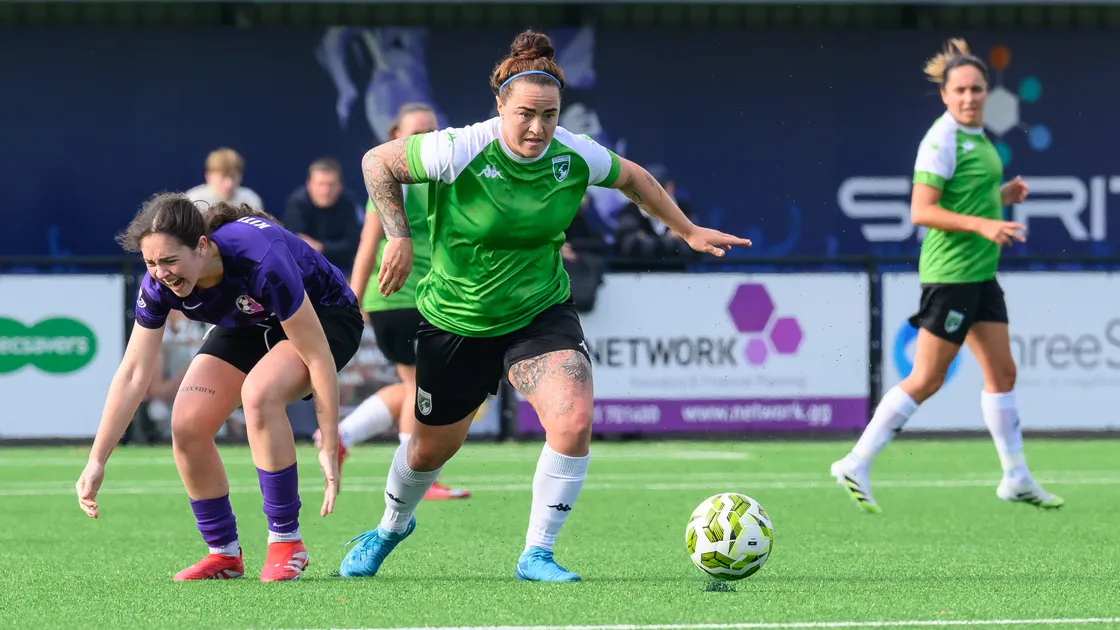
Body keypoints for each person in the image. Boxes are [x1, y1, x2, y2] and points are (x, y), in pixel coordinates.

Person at [336, 29, 751, 582]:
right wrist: (400, 235)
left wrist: (687, 230)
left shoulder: (573, 154)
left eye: (549, 115)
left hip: (540, 311)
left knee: (573, 419)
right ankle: (390, 527)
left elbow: (634, 179)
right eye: (526, 114)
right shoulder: (458, 148)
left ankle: (538, 553)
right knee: (427, 453)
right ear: (500, 106)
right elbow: (376, 162)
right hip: (457, 318)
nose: (538, 127)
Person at [74, 193, 363, 581]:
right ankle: (224, 553)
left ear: (201, 246)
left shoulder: (261, 259)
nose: (161, 273)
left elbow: (317, 356)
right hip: (250, 320)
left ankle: (286, 541)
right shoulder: (158, 283)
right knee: (187, 423)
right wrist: (97, 460)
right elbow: (132, 374)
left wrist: (329, 442)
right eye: (150, 263)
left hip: (328, 318)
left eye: (170, 261)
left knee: (260, 394)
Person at [829, 38, 1063, 514]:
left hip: (980, 273)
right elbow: (922, 210)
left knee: (1003, 372)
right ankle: (855, 462)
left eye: (976, 89)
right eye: (960, 90)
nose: (969, 97)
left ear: (987, 92)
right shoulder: (941, 141)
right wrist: (984, 224)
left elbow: (966, 196)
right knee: (927, 378)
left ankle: (1016, 477)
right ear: (945, 95)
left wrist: (1001, 197)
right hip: (952, 275)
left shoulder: (978, 137)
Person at [316, 102, 471, 500]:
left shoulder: (445, 179)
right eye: (416, 132)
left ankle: (343, 435)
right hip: (398, 299)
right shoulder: (392, 180)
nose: (426, 139)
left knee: (417, 384)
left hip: (432, 299)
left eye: (432, 131)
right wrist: (352, 298)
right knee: (422, 384)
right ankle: (415, 474)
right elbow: (368, 243)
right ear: (395, 137)